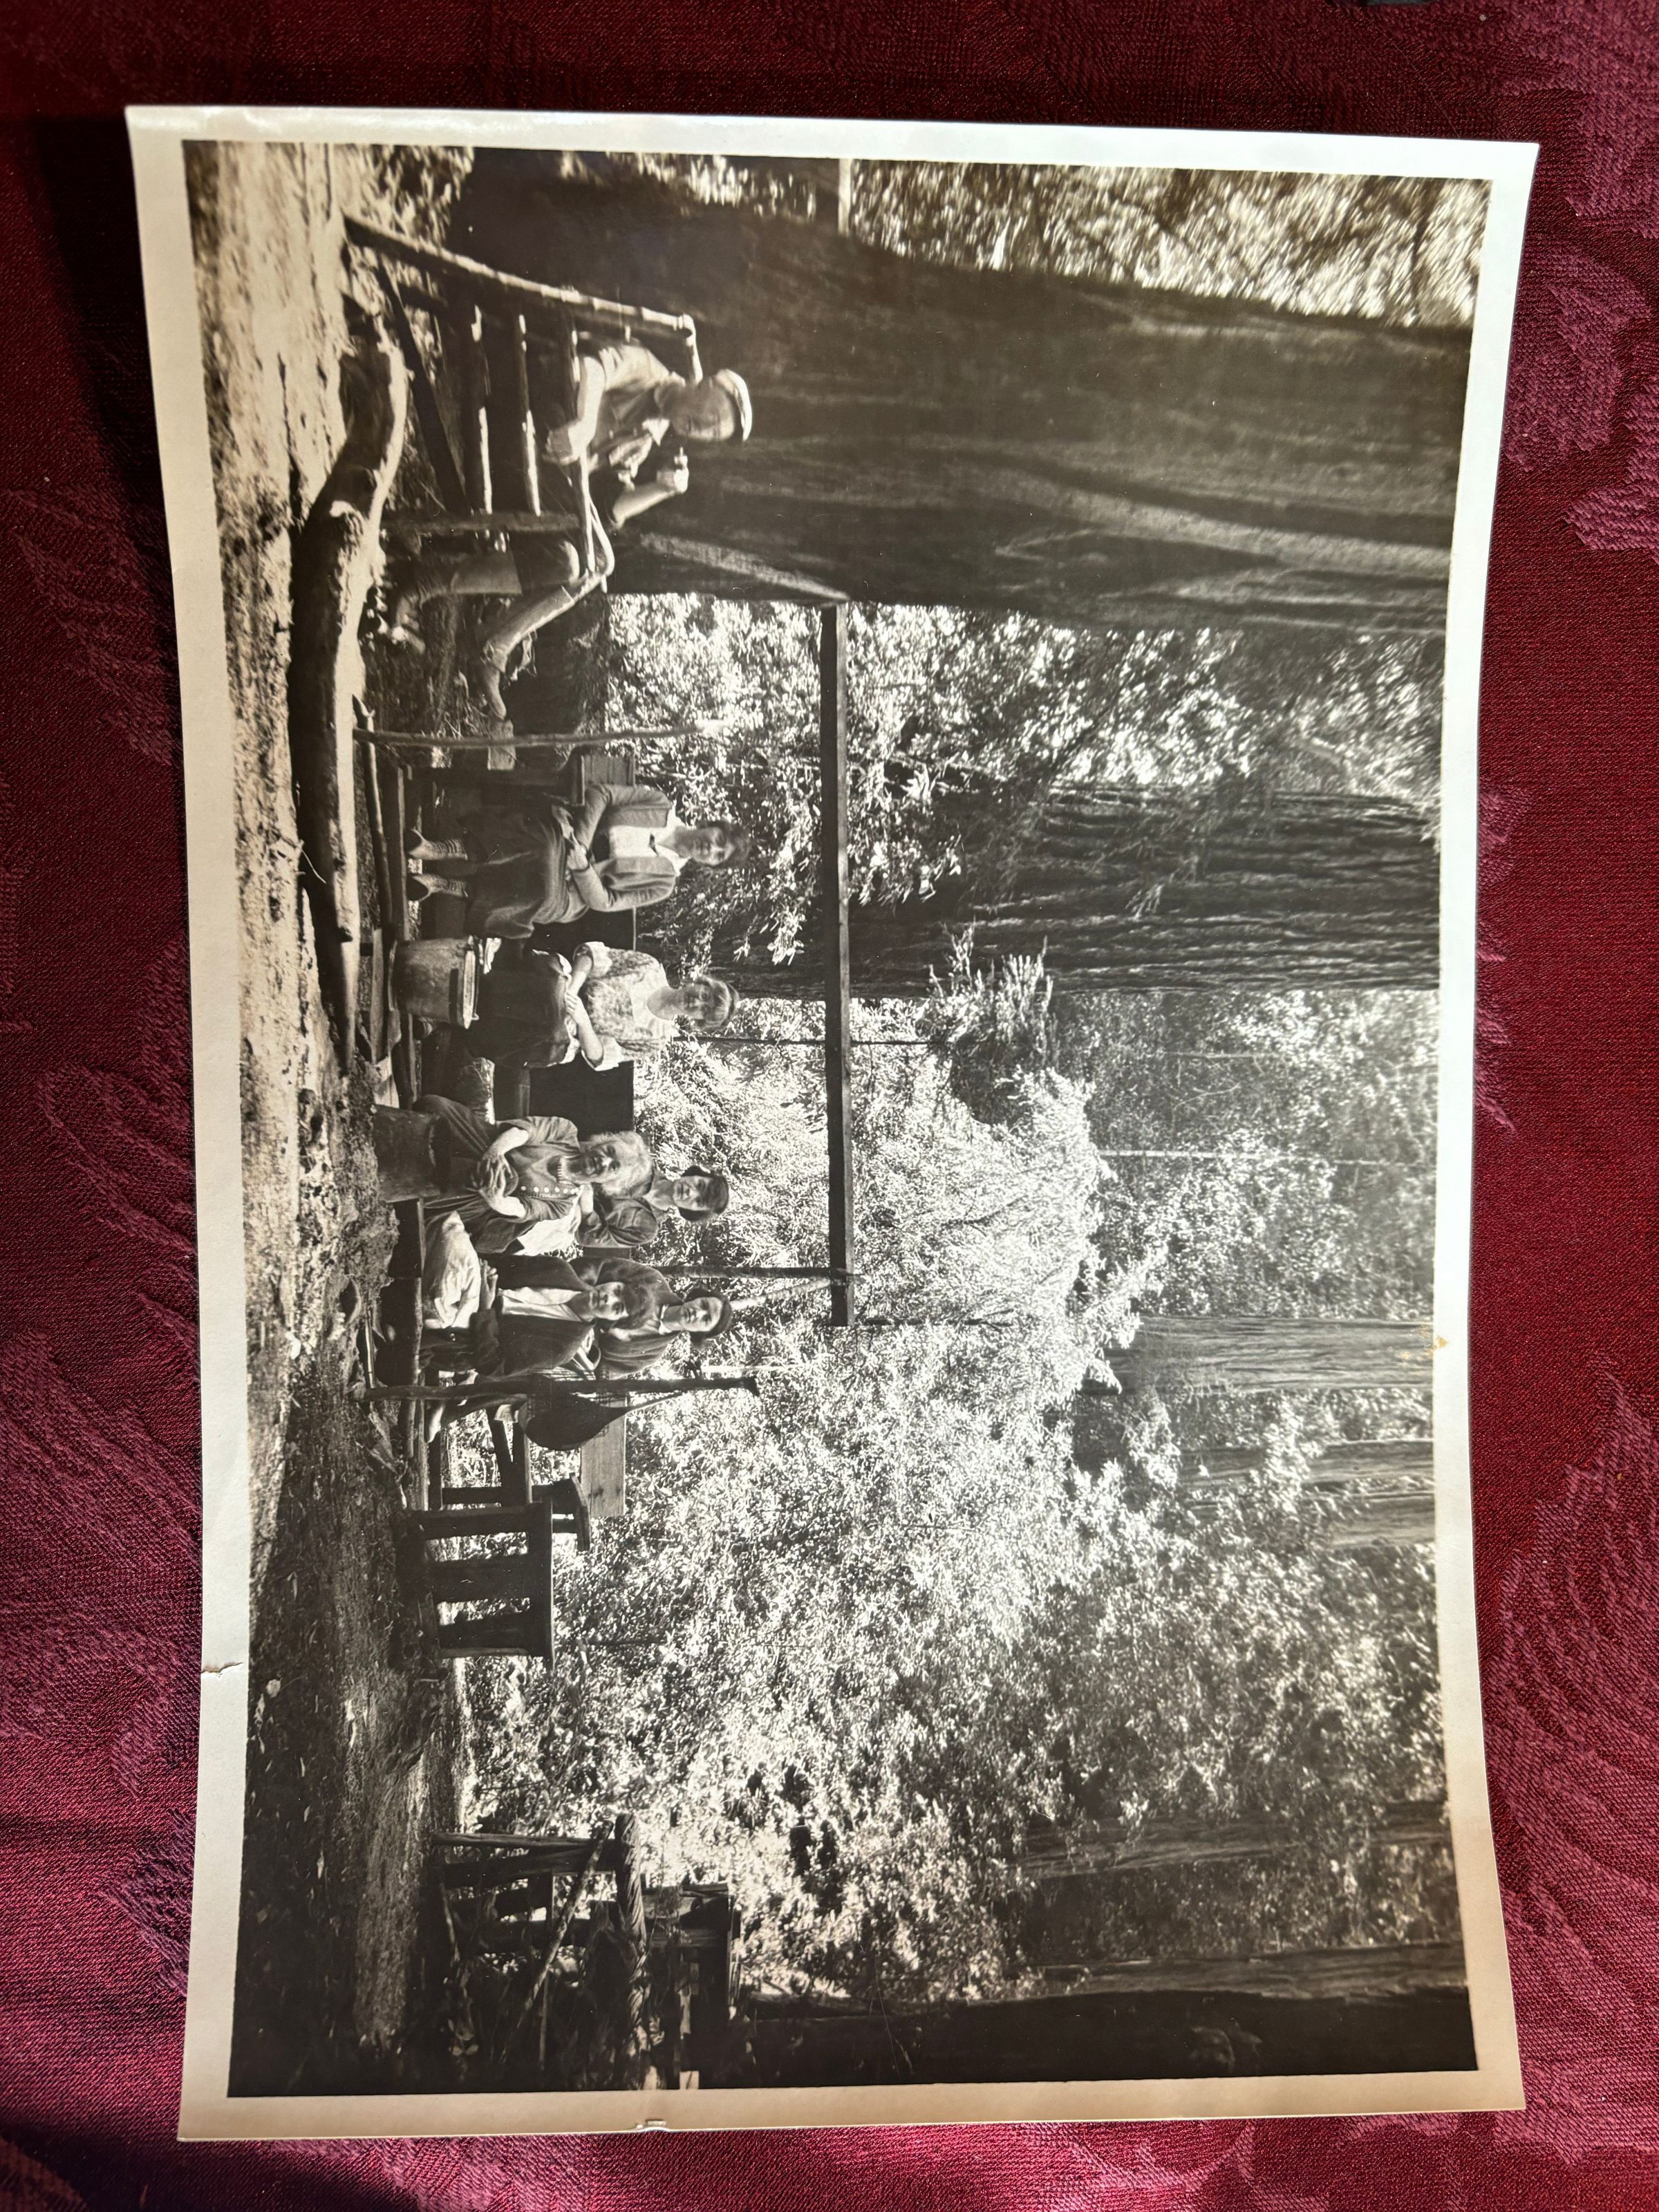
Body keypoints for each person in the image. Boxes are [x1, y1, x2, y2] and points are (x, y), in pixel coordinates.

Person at [391, 346, 753, 717]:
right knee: (600, 561)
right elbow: (593, 366)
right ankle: (486, 640)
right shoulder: (649, 370)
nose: (701, 429)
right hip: (528, 433)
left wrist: (659, 491)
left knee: (567, 563)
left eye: (712, 434)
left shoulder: (651, 436)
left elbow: (609, 509)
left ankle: (446, 597)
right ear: (705, 385)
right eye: (710, 416)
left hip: (543, 483)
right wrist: (584, 424)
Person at [405, 782, 749, 941]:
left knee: (545, 897)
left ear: (710, 866)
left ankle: (443, 885)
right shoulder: (659, 804)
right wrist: (581, 843)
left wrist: (582, 868)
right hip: (568, 834)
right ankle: (439, 850)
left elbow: (607, 902)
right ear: (712, 826)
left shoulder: (665, 882)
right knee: (544, 845)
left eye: (718, 856)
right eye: (719, 840)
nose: (711, 848)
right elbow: (602, 793)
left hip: (576, 891)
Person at [373, 1096, 652, 1255]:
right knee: (435, 1106)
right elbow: (524, 1132)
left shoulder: (563, 1204)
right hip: (484, 1143)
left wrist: (495, 1199)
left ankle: (397, 1171)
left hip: (481, 1194)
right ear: (604, 1141)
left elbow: (522, 1209)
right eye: (610, 1150)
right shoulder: (566, 1132)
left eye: (613, 1167)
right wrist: (494, 1154)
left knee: (504, 1182)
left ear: (609, 1184)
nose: (604, 1160)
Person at [465, 941, 735, 1071]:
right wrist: (572, 991)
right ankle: (472, 991)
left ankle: (469, 1024)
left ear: (698, 1020)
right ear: (699, 983)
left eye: (704, 1010)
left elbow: (599, 1057)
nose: (697, 1002)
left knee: (552, 1034)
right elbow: (592, 956)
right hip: (571, 984)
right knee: (552, 992)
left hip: (574, 1031)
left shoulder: (656, 1039)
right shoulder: (650, 968)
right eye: (704, 995)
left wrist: (582, 1021)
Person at [582, 1163, 731, 1255]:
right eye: (699, 1184)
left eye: (698, 1202)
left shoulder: (646, 1229)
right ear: (695, 1174)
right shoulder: (642, 1166)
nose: (690, 1192)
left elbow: (589, 1237)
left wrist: (586, 1203)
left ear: (694, 1212)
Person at [594, 1284, 734, 1378]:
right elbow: (600, 1269)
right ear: (697, 1297)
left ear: (701, 1333)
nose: (697, 1313)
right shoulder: (655, 1282)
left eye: (706, 1319)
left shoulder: (652, 1354)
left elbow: (603, 1372)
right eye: (703, 1304)